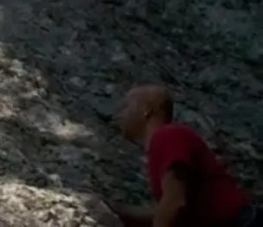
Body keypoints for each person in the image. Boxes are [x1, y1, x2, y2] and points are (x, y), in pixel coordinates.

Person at [111, 83, 260, 226]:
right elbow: (172, 210)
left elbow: (175, 203)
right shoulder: (167, 140)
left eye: (126, 106)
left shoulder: (166, 136)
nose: (118, 113)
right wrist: (119, 211)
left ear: (147, 110)